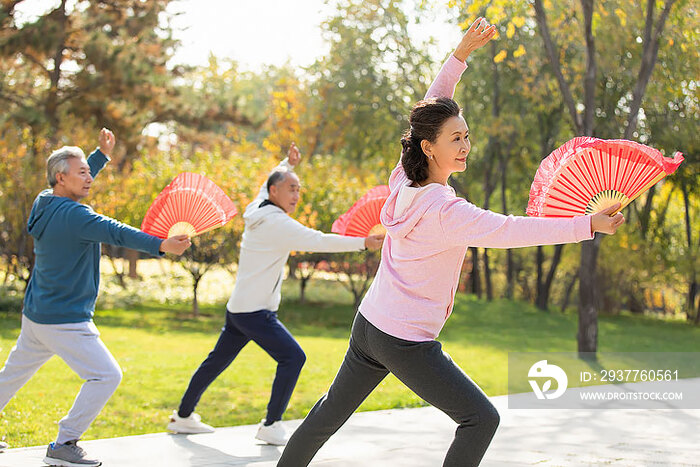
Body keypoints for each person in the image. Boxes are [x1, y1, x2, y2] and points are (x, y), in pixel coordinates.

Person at [277, 17, 625, 467]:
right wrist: (586, 224)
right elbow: (510, 230)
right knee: (480, 418)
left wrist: (460, 54)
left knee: (326, 417)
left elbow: (429, 105)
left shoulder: (402, 180)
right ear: (429, 147)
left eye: (466, 137)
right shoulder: (446, 211)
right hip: (402, 338)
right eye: (455, 138)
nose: (465, 145)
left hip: (370, 325)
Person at [167, 143, 384, 445]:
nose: (296, 196)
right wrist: (363, 242)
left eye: (298, 190)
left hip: (240, 307)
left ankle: (183, 416)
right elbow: (318, 240)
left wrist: (288, 164)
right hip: (254, 311)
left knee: (216, 361)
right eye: (291, 189)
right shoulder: (277, 223)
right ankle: (271, 425)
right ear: (275, 192)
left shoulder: (258, 208)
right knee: (293, 357)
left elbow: (264, 185)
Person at [0, 129, 191, 467]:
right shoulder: (77, 216)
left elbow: (73, 177)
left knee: (12, 375)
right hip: (65, 319)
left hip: (37, 313)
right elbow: (117, 230)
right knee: (106, 375)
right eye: (82, 172)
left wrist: (98, 156)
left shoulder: (45, 201)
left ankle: (65, 440)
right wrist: (162, 244)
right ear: (62, 178)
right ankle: (65, 441)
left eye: (89, 171)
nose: (89, 177)